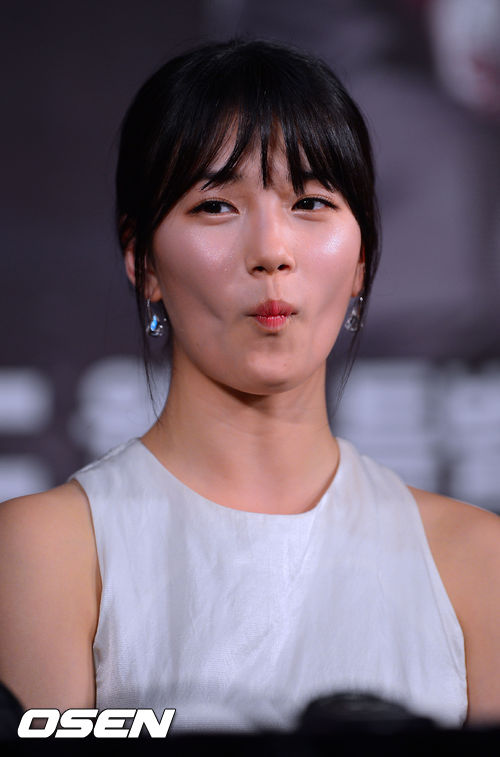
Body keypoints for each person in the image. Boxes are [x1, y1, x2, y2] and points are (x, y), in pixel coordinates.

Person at [0, 39, 499, 734]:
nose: (271, 251)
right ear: (142, 260)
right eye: (216, 206)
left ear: (361, 259)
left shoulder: (476, 560)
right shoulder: (46, 548)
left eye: (311, 202)